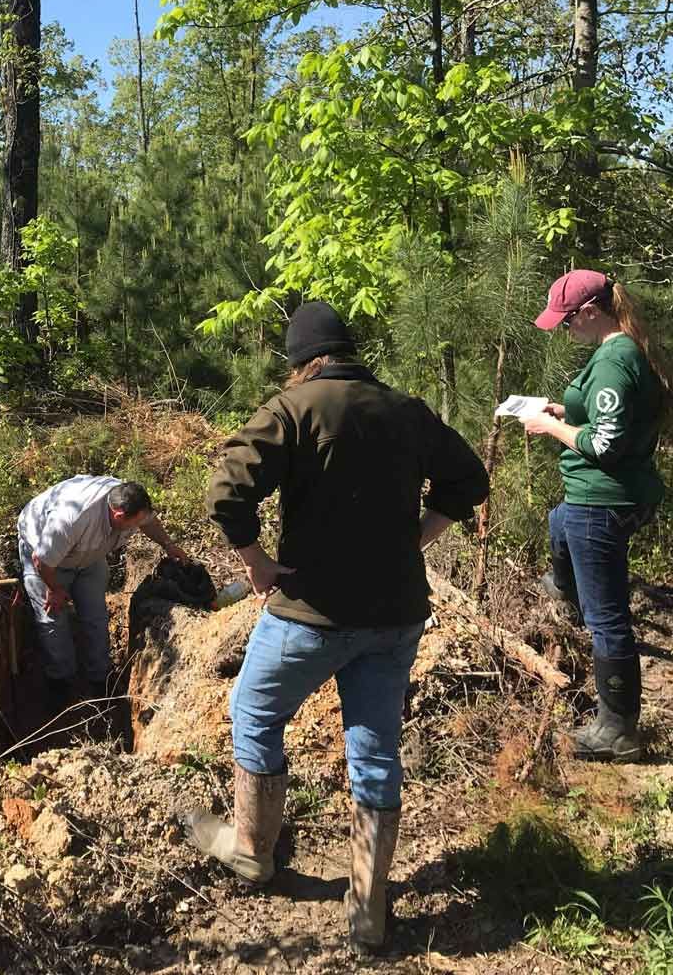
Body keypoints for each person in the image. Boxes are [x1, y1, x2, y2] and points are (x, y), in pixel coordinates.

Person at [185, 301, 489, 955]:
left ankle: (251, 852)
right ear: (347, 351)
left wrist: (256, 562)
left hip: (312, 613)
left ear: (302, 361)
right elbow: (469, 478)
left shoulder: (293, 408)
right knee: (374, 751)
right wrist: (416, 538)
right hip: (395, 615)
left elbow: (227, 491)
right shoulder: (405, 410)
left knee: (254, 713)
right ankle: (368, 907)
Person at [523, 270, 669, 763]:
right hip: (604, 498)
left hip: (602, 501)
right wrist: (566, 412)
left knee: (607, 620)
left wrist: (549, 428)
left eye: (567, 321)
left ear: (590, 312)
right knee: (558, 523)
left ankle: (618, 730)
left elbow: (606, 446)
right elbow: (614, 420)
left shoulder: (612, 361)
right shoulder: (625, 349)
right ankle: (565, 584)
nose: (565, 330)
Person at [18, 475, 188, 713]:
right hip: (47, 561)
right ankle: (60, 682)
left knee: (96, 616)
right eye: (135, 523)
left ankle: (100, 679)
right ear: (118, 516)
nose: (140, 526)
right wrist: (55, 589)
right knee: (53, 620)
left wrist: (168, 545)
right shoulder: (71, 519)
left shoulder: (129, 499)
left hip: (89, 556)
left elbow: (149, 522)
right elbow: (41, 560)